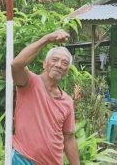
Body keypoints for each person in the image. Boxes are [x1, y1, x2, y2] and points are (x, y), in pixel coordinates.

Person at [11, 29, 80, 165]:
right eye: (55, 60)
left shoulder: (67, 101)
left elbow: (69, 137)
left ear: (67, 71)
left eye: (65, 63)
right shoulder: (29, 82)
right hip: (24, 159)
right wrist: (47, 38)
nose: (59, 65)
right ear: (44, 63)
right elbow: (16, 64)